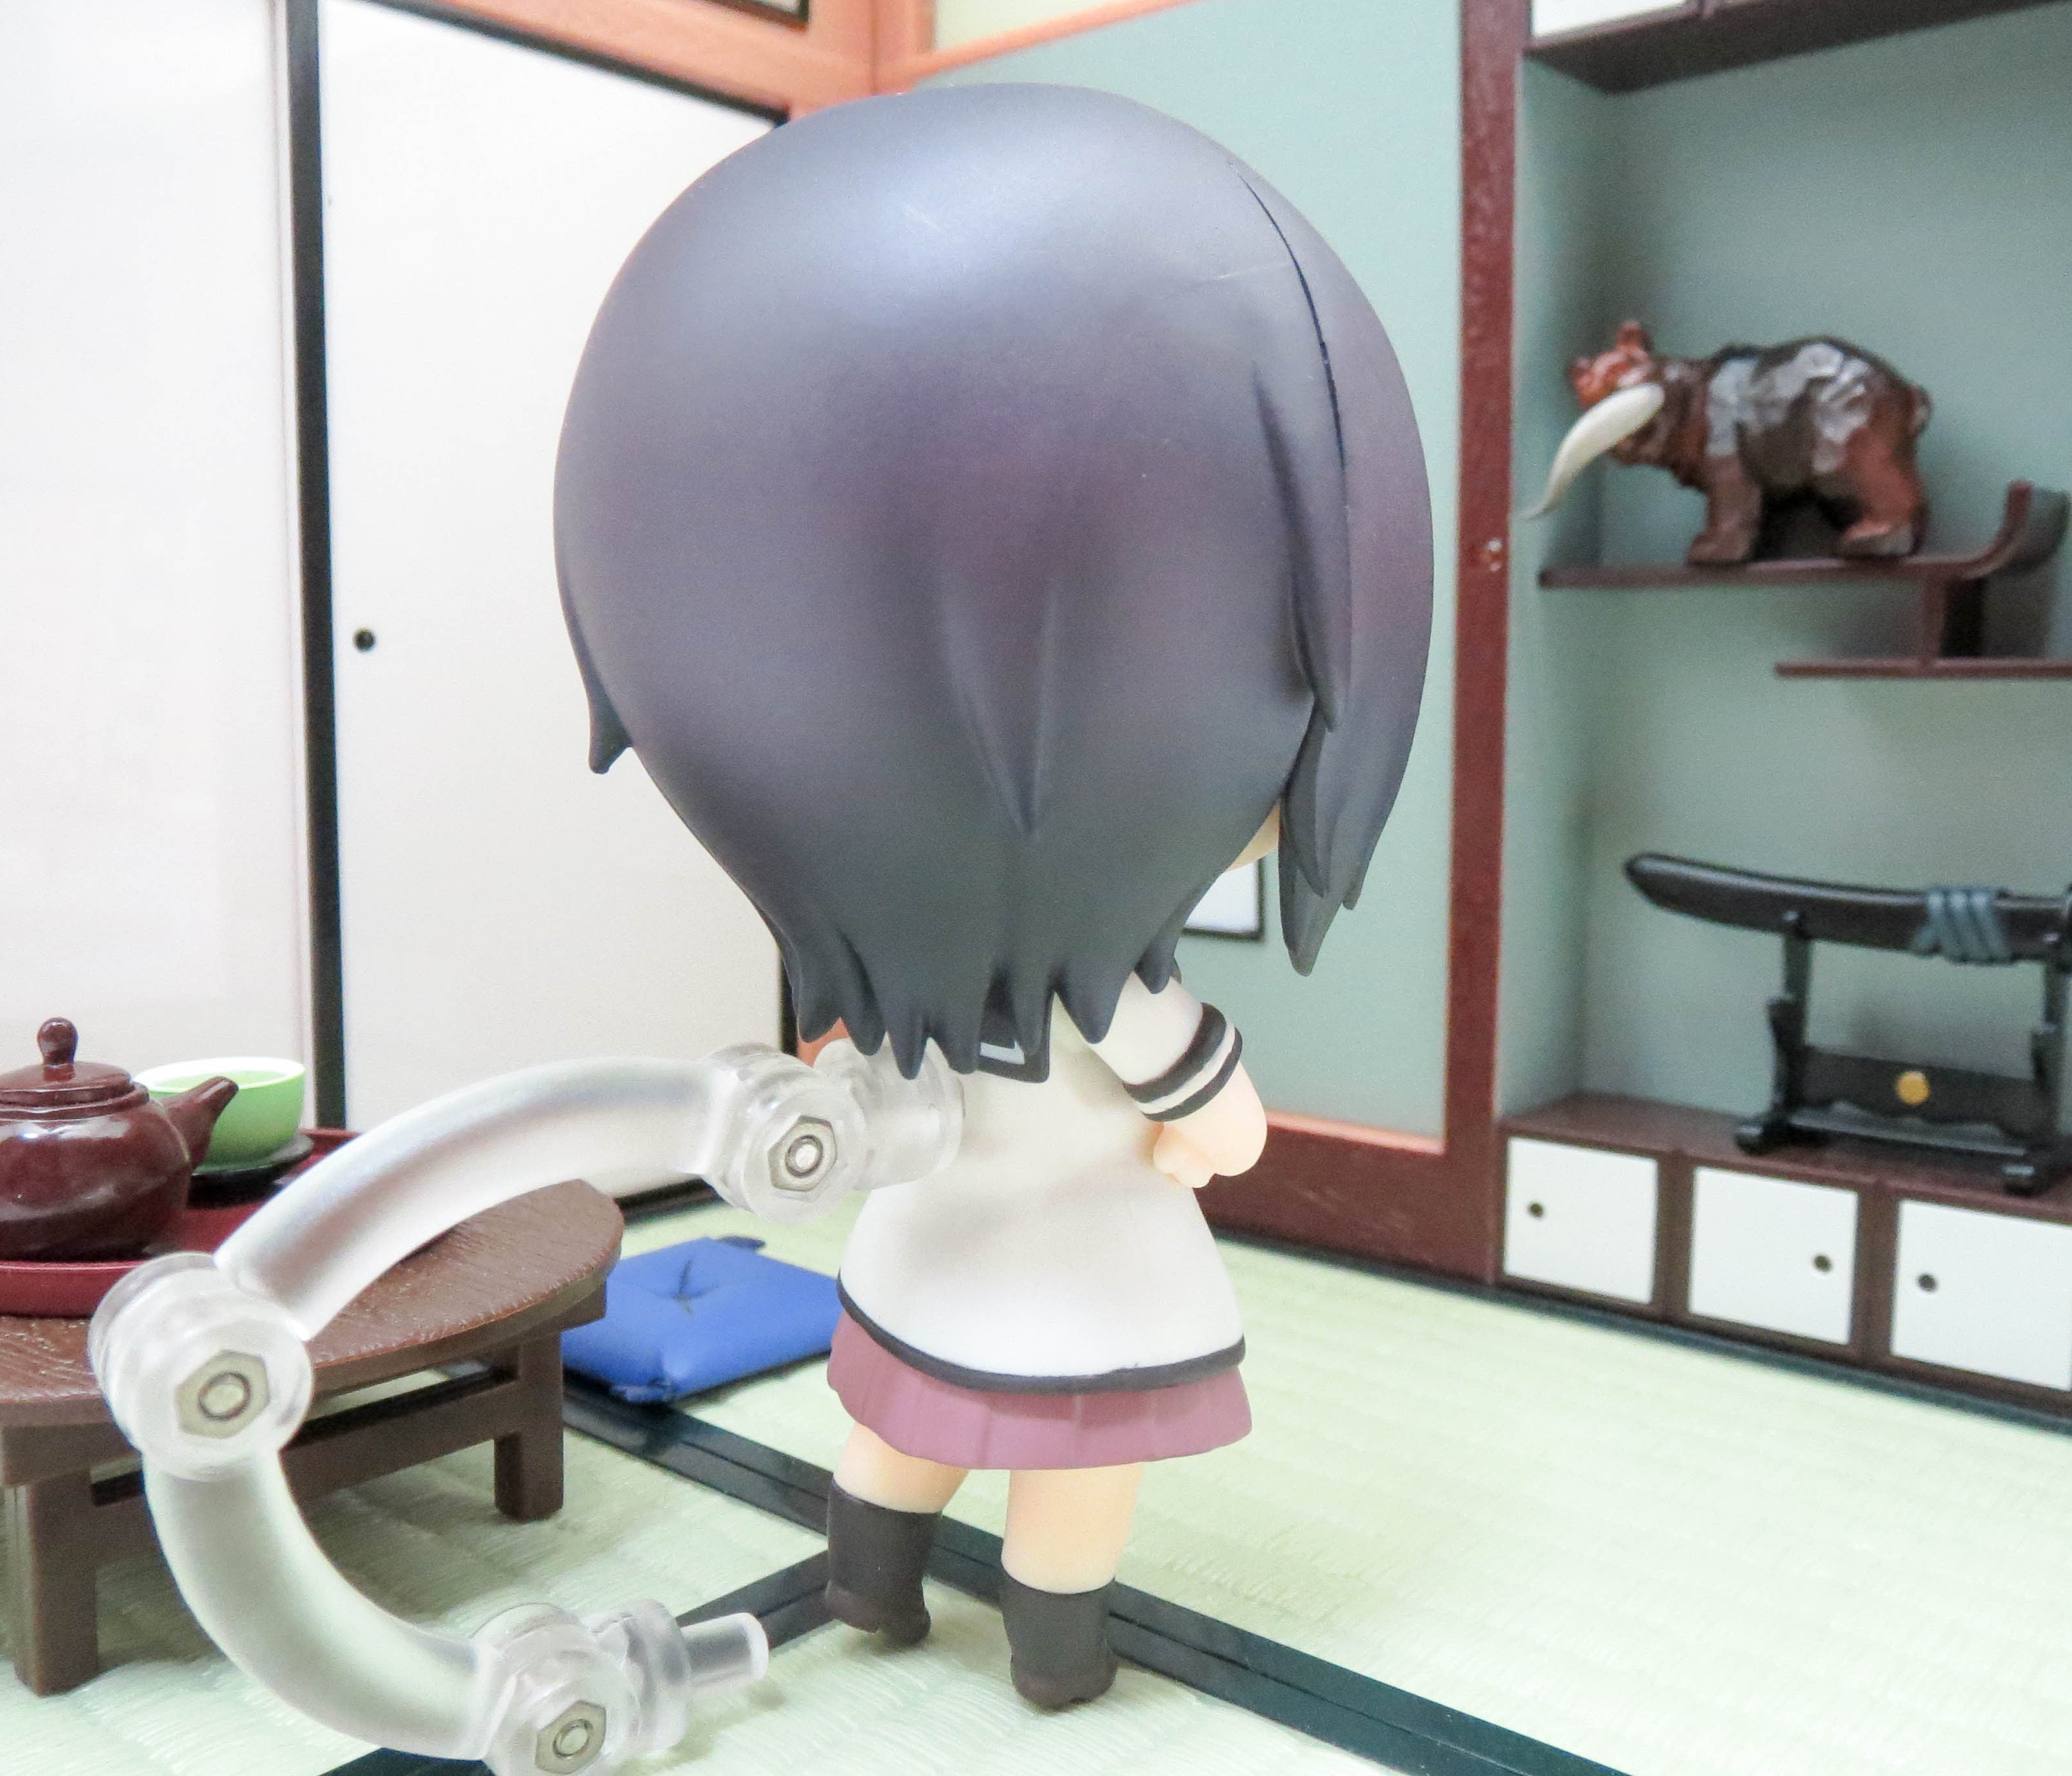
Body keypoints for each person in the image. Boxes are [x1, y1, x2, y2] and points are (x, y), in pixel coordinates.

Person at [553, 80, 1432, 1707]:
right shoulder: (1127, 1002)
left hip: (920, 1260)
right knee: (1072, 1486)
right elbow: (1228, 1129)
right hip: (1086, 1286)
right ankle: (1055, 1654)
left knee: (900, 1437)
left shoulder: (883, 975)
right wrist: (1199, 1137)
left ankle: (868, 1590)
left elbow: (838, 1101)